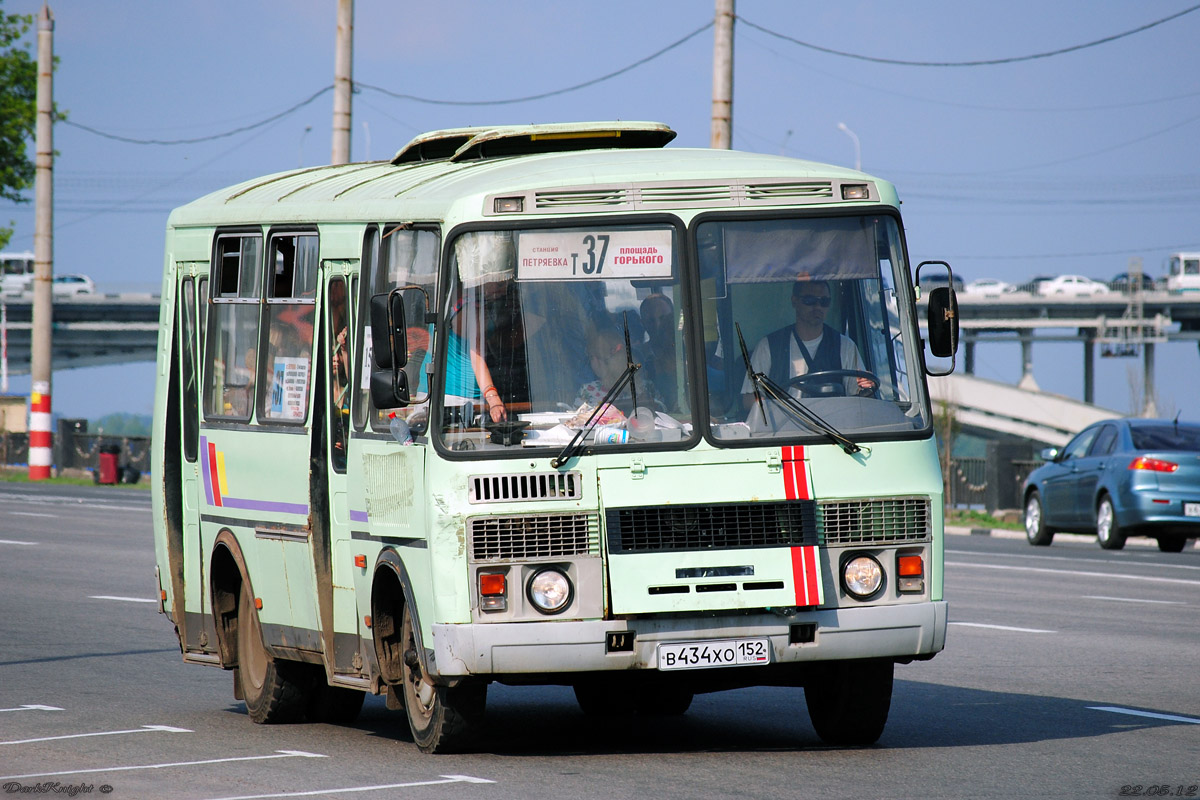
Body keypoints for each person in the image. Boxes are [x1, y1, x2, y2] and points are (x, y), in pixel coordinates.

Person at [741, 279, 876, 411]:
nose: (817, 307)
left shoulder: (846, 346)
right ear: (795, 301)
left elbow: (860, 400)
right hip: (784, 429)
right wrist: (775, 410)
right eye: (810, 300)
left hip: (835, 426)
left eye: (824, 301)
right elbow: (749, 398)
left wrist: (865, 387)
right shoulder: (768, 346)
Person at [445, 292, 507, 423]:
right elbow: (477, 356)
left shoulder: (486, 305)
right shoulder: (466, 309)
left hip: (478, 398)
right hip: (453, 399)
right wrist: (493, 398)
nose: (500, 284)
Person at [576, 327, 660, 412]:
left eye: (591, 357)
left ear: (597, 360)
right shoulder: (646, 387)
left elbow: (575, 421)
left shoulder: (587, 391)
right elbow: (663, 414)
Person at [639, 293, 678, 410]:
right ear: (643, 323)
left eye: (663, 318)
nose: (658, 325)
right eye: (651, 320)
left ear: (673, 318)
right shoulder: (636, 357)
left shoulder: (690, 354)